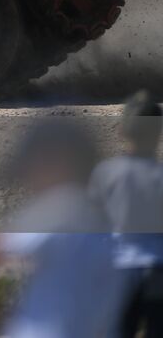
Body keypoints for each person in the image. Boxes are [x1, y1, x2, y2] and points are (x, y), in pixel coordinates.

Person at [0, 120, 124, 338]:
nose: (29, 185)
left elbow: (1, 248)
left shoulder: (65, 208)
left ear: (56, 162)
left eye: (30, 171)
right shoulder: (95, 218)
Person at [91, 91, 163, 337]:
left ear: (121, 131)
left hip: (118, 270)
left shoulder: (107, 174)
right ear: (158, 133)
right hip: (156, 270)